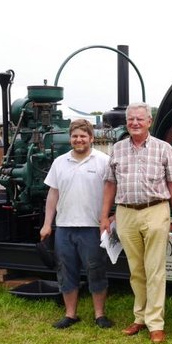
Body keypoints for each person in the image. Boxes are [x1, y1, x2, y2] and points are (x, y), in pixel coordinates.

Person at [100, 102, 172, 344]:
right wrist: (105, 215)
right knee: (136, 270)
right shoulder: (117, 149)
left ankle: (155, 323)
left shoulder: (163, 148)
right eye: (131, 119)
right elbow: (109, 183)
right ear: (126, 123)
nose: (135, 123)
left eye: (140, 119)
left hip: (156, 210)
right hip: (125, 213)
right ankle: (139, 318)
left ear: (149, 121)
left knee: (155, 269)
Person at [40, 119, 112, 329]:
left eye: (83, 136)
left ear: (91, 138)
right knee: (65, 270)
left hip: (92, 227)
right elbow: (53, 195)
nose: (78, 140)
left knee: (96, 269)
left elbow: (111, 192)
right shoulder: (59, 162)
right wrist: (47, 224)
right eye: (75, 136)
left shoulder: (103, 161)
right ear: (70, 138)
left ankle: (99, 314)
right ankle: (70, 314)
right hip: (64, 227)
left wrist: (109, 217)